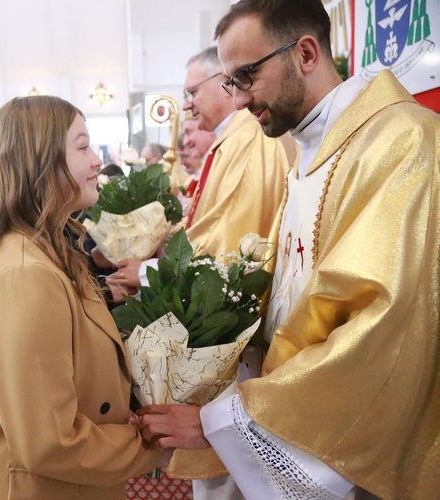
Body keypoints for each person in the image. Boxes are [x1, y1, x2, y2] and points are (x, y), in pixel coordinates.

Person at [138, 1, 440, 499]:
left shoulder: (402, 142)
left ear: (304, 53)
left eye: (246, 76)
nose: (237, 102)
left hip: (357, 450)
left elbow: (386, 329)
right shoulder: (308, 152)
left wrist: (226, 421)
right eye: (230, 83)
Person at [0, 96, 164, 499]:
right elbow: (50, 442)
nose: (98, 161)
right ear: (40, 161)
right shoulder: (25, 274)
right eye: (82, 147)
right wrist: (153, 444)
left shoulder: (48, 246)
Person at [112, 46, 295, 303]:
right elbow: (209, 221)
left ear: (223, 80)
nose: (186, 104)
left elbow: (230, 238)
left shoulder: (248, 138)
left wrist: (149, 272)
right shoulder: (233, 137)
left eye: (192, 92)